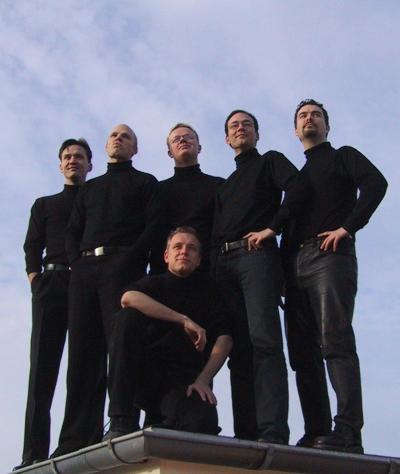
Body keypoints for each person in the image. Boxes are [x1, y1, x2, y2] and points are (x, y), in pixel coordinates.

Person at [284, 99, 387, 453]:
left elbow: (376, 183)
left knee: (335, 341)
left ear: (327, 126)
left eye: (316, 115)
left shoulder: (343, 156)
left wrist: (348, 226)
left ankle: (347, 431)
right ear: (295, 130)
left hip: (329, 256)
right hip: (294, 265)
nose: (309, 119)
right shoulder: (298, 178)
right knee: (302, 353)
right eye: (303, 116)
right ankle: (316, 430)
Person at [52, 124, 162, 456]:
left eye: (125, 136)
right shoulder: (90, 188)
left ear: (135, 148)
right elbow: (72, 230)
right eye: (114, 135)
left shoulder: (146, 183)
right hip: (85, 271)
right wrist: (76, 262)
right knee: (82, 355)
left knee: (121, 346)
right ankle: (75, 438)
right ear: (105, 147)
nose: (118, 139)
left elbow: (154, 226)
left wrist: (129, 258)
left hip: (122, 267)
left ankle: (122, 422)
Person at [212, 110, 298, 444]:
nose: (240, 128)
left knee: (265, 341)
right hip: (224, 265)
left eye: (247, 124)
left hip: (256, 255)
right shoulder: (225, 186)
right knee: (238, 350)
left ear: (257, 134)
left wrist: (272, 228)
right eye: (234, 126)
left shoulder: (270, 162)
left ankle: (272, 430)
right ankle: (246, 432)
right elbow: (216, 231)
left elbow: (297, 189)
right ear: (226, 139)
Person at [104, 227, 232, 438]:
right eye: (177, 247)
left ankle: (163, 422)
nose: (184, 251)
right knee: (126, 318)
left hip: (183, 379)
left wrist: (203, 379)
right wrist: (183, 319)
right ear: (166, 255)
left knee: (202, 422)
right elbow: (128, 298)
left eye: (191, 248)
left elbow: (225, 338)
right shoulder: (153, 284)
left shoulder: (209, 293)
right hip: (144, 375)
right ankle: (121, 421)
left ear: (199, 260)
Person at [14, 139, 92, 470]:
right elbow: (31, 246)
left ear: (90, 165)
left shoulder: (94, 201)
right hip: (51, 284)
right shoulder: (44, 204)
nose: (73, 160)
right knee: (42, 371)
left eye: (79, 157)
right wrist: (36, 281)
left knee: (85, 366)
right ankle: (32, 452)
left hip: (84, 284)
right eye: (67, 157)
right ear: (60, 165)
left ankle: (78, 442)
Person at [150, 123, 223, 274]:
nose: (182, 140)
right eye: (176, 139)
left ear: (199, 147)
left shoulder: (219, 186)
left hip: (210, 271)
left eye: (188, 137)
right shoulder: (157, 190)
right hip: (166, 273)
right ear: (169, 152)